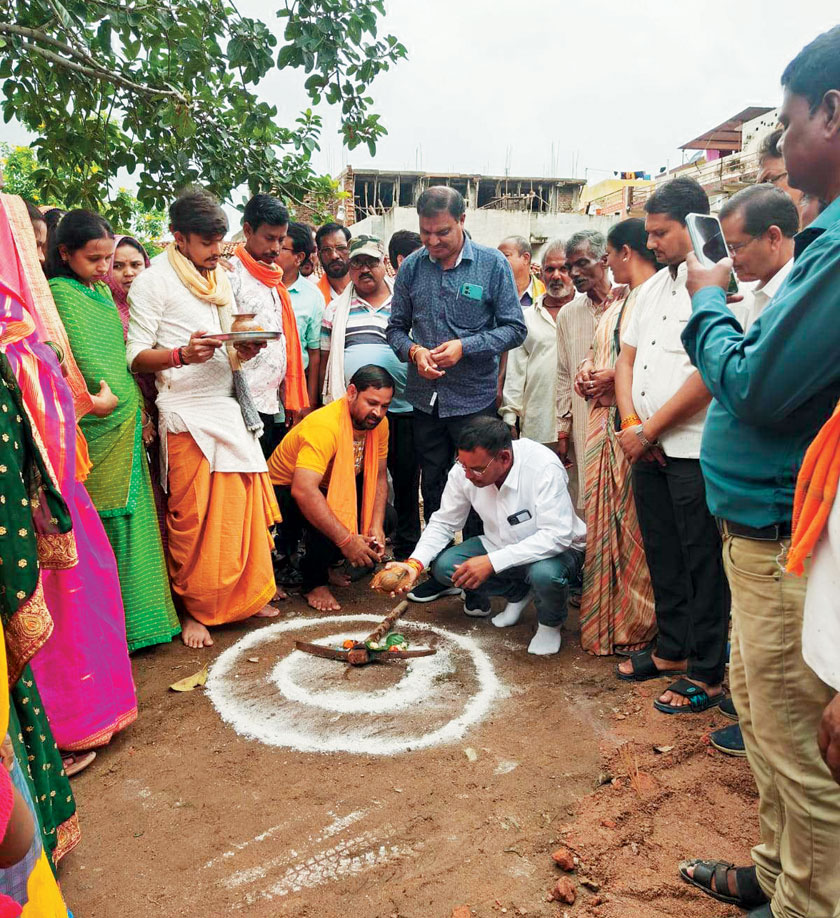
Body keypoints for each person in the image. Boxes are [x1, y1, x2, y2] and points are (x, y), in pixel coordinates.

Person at [678, 26, 840, 918]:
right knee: (769, 729)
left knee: (800, 754)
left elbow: (757, 386)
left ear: (833, 112)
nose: (779, 146)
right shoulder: (823, 243)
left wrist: (707, 303)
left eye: (786, 124)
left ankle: (801, 903)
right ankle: (773, 878)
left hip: (788, 540)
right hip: (763, 539)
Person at [127, 189, 281, 649]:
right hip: (184, 415)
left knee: (241, 515)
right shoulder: (152, 281)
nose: (218, 250)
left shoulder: (221, 278)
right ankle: (194, 610)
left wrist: (245, 345)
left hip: (227, 407)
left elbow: (230, 338)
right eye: (207, 242)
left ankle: (246, 598)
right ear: (179, 237)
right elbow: (135, 356)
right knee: (192, 521)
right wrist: (179, 354)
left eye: (220, 240)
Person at [613, 177, 729, 717]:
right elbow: (627, 361)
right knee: (662, 550)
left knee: (701, 558)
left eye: (660, 233)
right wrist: (636, 424)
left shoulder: (723, 284)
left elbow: (710, 373)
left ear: (693, 225)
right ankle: (671, 650)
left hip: (694, 448)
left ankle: (707, 671)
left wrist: (650, 429)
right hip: (648, 445)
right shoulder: (652, 288)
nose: (651, 242)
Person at [44, 209, 180, 655]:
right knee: (102, 530)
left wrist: (135, 407)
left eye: (108, 258)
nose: (105, 268)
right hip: (96, 428)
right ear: (65, 254)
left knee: (138, 525)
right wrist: (103, 406)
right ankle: (110, 636)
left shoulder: (100, 292)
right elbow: (79, 359)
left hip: (124, 422)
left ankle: (145, 626)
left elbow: (120, 356)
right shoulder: (60, 294)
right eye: (95, 259)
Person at [386, 186, 526, 602]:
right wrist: (413, 351)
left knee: (483, 488)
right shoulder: (412, 267)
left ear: (463, 221)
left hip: (474, 400)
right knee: (434, 487)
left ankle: (478, 581)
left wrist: (467, 346)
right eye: (425, 232)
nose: (432, 242)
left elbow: (514, 328)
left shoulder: (492, 265)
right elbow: (395, 328)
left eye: (442, 232)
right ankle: (440, 572)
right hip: (425, 399)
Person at [384, 417, 586, 655]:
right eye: (463, 465)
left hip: (559, 550)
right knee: (446, 567)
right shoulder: (464, 470)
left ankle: (550, 624)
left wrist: (492, 562)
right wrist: (415, 563)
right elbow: (444, 522)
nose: (468, 475)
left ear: (504, 458)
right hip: (498, 543)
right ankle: (519, 593)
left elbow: (557, 535)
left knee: (544, 574)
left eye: (477, 469)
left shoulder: (543, 467)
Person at [574, 218, 659, 656]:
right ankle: (609, 621)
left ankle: (638, 625)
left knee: (634, 531)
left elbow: (650, 365)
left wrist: (614, 379)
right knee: (605, 524)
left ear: (626, 252)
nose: (605, 262)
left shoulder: (655, 298)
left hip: (634, 427)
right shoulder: (621, 301)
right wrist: (588, 374)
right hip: (604, 425)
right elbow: (599, 356)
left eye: (608, 253)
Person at [321, 235, 420, 560]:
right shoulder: (336, 309)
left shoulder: (405, 303)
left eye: (371, 262)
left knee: (405, 480)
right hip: (354, 415)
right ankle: (359, 550)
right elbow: (323, 361)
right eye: (357, 263)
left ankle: (407, 551)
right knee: (358, 481)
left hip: (403, 408)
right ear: (349, 267)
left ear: (385, 265)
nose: (364, 269)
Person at [267, 365, 392, 611]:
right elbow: (304, 491)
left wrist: (375, 526)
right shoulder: (325, 425)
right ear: (352, 392)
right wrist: (346, 540)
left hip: (326, 489)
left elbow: (378, 477)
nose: (378, 413)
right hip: (282, 495)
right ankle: (313, 583)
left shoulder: (380, 424)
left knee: (388, 517)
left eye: (385, 406)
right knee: (330, 513)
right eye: (372, 402)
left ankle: (326, 566)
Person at [228, 194, 307, 453]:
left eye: (281, 240)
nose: (276, 247)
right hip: (241, 401)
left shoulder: (272, 277)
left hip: (272, 402)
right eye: (269, 238)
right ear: (248, 231)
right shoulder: (230, 275)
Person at [555, 230, 624, 510]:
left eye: (582, 263)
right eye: (571, 267)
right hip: (584, 420)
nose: (574, 273)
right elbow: (563, 373)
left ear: (604, 260)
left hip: (625, 419)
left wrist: (615, 378)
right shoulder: (568, 314)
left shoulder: (628, 301)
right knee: (590, 499)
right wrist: (563, 427)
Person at [499, 238, 574, 445]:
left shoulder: (589, 313)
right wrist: (510, 418)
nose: (556, 276)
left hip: (581, 427)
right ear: (541, 273)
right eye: (550, 269)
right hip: (538, 426)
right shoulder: (526, 318)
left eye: (564, 269)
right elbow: (515, 373)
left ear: (574, 272)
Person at [719, 184, 798, 330]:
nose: (729, 259)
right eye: (726, 248)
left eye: (734, 247)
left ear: (773, 238)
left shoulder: (799, 297)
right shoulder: (749, 295)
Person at [275, 221, 325, 412]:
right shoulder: (260, 287)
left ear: (299, 258)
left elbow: (314, 353)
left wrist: (308, 404)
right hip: (261, 389)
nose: (274, 249)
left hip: (295, 387)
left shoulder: (313, 296)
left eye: (282, 246)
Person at [498, 235, 546, 308]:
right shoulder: (493, 291)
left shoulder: (545, 292)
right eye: (498, 257)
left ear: (525, 258)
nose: (499, 261)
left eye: (506, 256)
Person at [315, 222, 352, 304]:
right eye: (327, 250)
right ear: (319, 255)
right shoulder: (313, 296)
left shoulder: (366, 289)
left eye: (341, 248)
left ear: (351, 250)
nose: (334, 256)